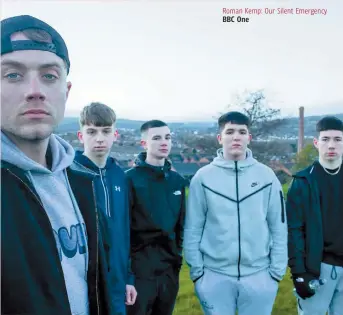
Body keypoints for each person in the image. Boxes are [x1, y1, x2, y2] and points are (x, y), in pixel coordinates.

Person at [1, 15, 128, 315]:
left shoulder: (82, 181)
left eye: (49, 76)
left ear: (66, 91)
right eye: (13, 75)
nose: (35, 90)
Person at [184, 111, 288, 315]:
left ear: (249, 138)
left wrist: (276, 272)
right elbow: (193, 227)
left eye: (242, 132)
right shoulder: (203, 178)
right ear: (220, 138)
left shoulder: (267, 176)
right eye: (230, 131)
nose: (236, 136)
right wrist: (198, 272)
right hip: (214, 276)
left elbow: (278, 226)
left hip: (259, 275)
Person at [74, 102, 137, 310]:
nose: (99, 138)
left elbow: (124, 230)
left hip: (117, 284)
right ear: (81, 136)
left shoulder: (120, 176)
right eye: (91, 131)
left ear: (115, 135)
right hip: (82, 284)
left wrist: (128, 277)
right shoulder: (69, 174)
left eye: (106, 131)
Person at [125, 120, 187, 315]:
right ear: (144, 143)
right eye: (157, 138)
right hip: (140, 272)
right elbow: (121, 230)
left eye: (167, 138)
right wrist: (128, 274)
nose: (164, 142)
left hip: (169, 270)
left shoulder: (177, 181)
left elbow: (180, 225)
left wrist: (176, 257)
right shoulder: (129, 179)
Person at [286, 116, 343, 315]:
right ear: (317, 143)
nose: (332, 145)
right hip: (317, 268)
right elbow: (294, 231)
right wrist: (299, 273)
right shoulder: (303, 181)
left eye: (338, 139)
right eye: (326, 139)